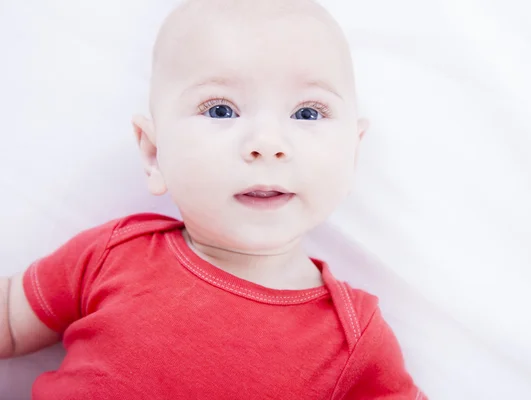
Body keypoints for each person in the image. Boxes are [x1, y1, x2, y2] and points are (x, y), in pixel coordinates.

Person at [0, 0, 426, 398]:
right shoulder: (112, 253)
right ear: (153, 153)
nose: (267, 143)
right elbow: (11, 323)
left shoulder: (354, 334)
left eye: (307, 113)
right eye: (221, 110)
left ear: (353, 153)